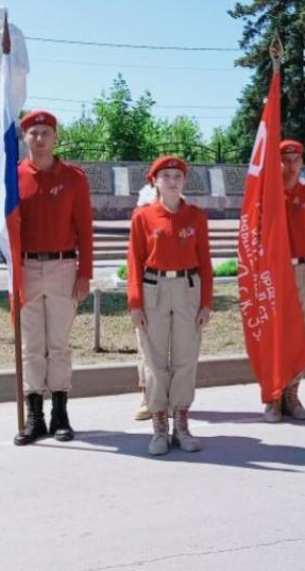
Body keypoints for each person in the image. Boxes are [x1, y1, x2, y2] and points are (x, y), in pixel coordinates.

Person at [13, 110, 93, 446]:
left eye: (46, 132)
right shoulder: (13, 177)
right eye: (34, 133)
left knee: (58, 344)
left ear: (55, 137)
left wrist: (84, 273)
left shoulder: (74, 178)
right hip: (27, 269)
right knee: (32, 346)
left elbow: (84, 229)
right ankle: (35, 416)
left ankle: (60, 413)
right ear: (25, 137)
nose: (40, 138)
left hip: (62, 268)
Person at [127, 156, 213, 456]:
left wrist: (206, 303)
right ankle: (160, 425)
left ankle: (182, 423)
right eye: (166, 176)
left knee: (185, 358)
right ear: (155, 181)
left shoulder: (196, 217)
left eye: (178, 176)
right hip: (154, 289)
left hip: (188, 289)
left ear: (184, 181)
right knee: (154, 359)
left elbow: (205, 262)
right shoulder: (143, 217)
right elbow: (135, 263)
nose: (173, 181)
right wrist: (136, 303)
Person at [262, 140, 305, 423]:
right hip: (272, 273)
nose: (290, 164)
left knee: (299, 333)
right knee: (274, 334)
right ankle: (273, 396)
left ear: (301, 162)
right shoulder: (264, 196)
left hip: (301, 271)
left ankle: (292, 393)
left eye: (295, 159)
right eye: (284, 159)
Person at [133, 180, 158, 422]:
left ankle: (167, 398)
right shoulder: (141, 213)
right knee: (145, 346)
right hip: (147, 286)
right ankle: (146, 395)